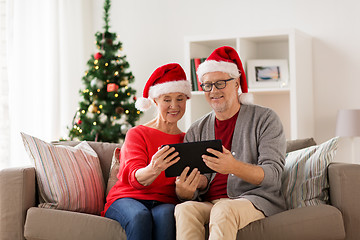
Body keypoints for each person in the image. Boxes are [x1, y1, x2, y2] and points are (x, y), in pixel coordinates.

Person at [174, 46, 287, 240]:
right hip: (210, 202)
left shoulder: (265, 119)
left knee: (223, 209)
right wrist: (186, 190)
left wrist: (233, 166)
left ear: (236, 83)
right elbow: (198, 183)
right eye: (207, 85)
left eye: (220, 83)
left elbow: (274, 176)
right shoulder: (196, 129)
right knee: (185, 209)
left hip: (253, 200)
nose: (213, 91)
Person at [102, 63, 192, 240]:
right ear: (155, 101)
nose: (174, 106)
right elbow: (134, 179)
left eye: (180, 99)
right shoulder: (137, 133)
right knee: (139, 217)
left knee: (167, 216)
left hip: (164, 201)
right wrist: (154, 168)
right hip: (127, 198)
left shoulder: (186, 139)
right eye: (167, 99)